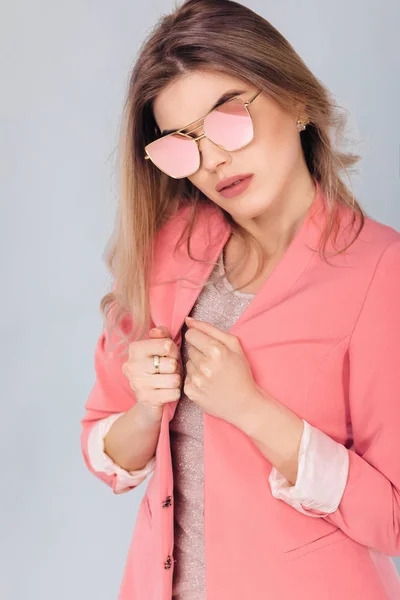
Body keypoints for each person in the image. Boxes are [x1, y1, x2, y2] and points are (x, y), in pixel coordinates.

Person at [80, 1, 400, 598]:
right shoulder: (167, 249)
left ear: (297, 101)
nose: (213, 158)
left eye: (229, 118)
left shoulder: (382, 273)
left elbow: (393, 516)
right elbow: (105, 450)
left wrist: (252, 409)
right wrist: (146, 411)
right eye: (181, 144)